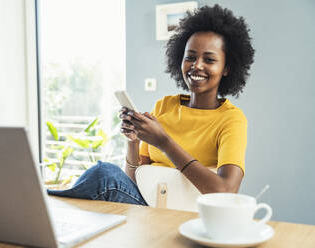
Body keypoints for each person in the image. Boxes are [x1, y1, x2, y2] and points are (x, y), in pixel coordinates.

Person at [47, 4, 255, 206]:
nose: (196, 65)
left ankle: (51, 207)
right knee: (104, 179)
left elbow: (226, 191)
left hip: (189, 216)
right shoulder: (164, 106)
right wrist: (133, 142)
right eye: (190, 57)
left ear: (227, 68)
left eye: (209, 60)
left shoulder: (231, 119)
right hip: (149, 207)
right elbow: (135, 181)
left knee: (104, 174)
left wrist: (164, 142)